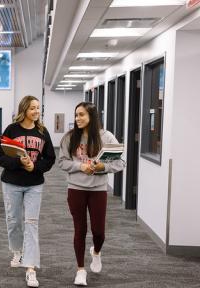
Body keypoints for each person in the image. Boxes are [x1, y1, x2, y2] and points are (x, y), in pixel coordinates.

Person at [58, 102, 125, 286]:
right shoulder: (70, 137)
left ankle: (96, 251)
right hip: (76, 189)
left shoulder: (106, 137)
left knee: (99, 232)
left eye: (81, 115)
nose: (77, 118)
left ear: (92, 117)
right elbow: (62, 162)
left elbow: (120, 163)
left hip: (98, 190)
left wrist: (103, 167)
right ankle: (80, 270)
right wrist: (80, 166)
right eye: (76, 115)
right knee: (80, 230)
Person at [0, 95, 56, 287]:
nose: (36, 112)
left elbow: (50, 158)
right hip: (12, 182)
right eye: (32, 108)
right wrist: (17, 163)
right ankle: (17, 251)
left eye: (38, 108)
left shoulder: (43, 132)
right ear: (24, 110)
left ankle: (30, 268)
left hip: (34, 184)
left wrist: (34, 167)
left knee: (31, 223)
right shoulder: (12, 130)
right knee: (13, 220)